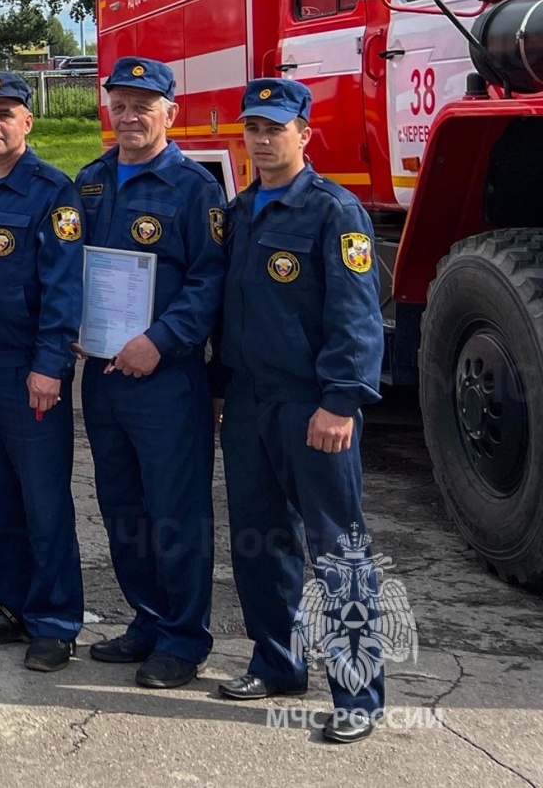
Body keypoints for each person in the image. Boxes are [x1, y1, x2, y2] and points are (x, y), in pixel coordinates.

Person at [214, 78, 386, 745]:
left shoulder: (333, 211)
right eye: (253, 126)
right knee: (260, 543)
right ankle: (276, 662)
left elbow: (356, 316)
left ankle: (359, 692)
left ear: (303, 133)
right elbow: (230, 312)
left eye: (275, 127)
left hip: (314, 407)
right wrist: (221, 386)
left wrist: (341, 399)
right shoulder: (240, 210)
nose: (262, 138)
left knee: (338, 548)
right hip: (251, 404)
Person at [74, 57, 226, 689]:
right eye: (121, 103)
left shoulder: (194, 188)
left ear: (171, 112)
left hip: (165, 378)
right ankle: (147, 618)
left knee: (175, 510)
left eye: (144, 105)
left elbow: (209, 279)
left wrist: (160, 341)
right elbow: (67, 269)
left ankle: (185, 638)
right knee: (122, 507)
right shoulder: (88, 182)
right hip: (103, 376)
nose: (130, 115)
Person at [0, 73, 85, 672]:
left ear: (28, 121)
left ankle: (55, 621)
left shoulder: (53, 191)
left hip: (29, 369)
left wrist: (50, 366)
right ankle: (11, 605)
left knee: (43, 496)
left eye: (5, 113)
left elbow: (64, 286)